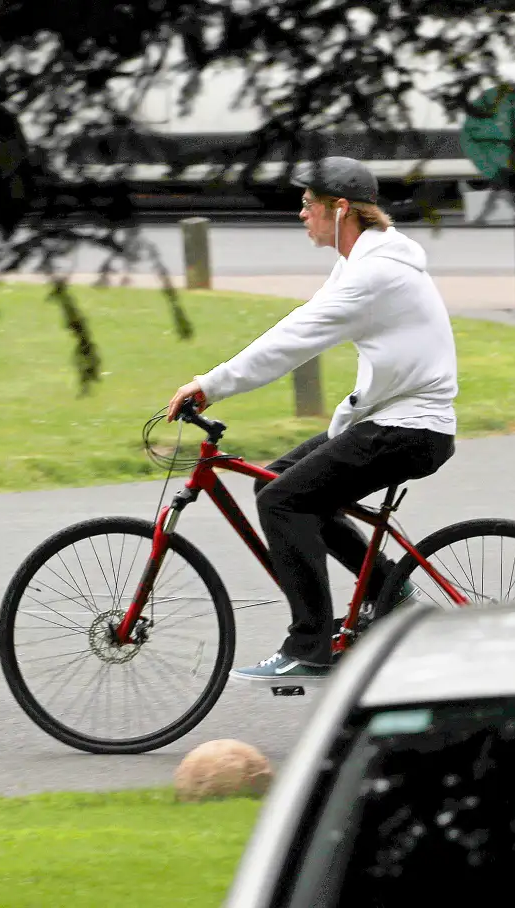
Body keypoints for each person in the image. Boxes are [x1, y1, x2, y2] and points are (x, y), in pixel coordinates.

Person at [167, 155, 458, 682]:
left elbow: (295, 338)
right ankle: (389, 595)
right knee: (277, 481)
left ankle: (309, 647)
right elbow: (300, 325)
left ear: (340, 209)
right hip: (392, 418)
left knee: (283, 501)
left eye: (308, 204)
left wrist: (210, 386)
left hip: (409, 428)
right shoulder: (362, 262)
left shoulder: (374, 273)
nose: (301, 214)